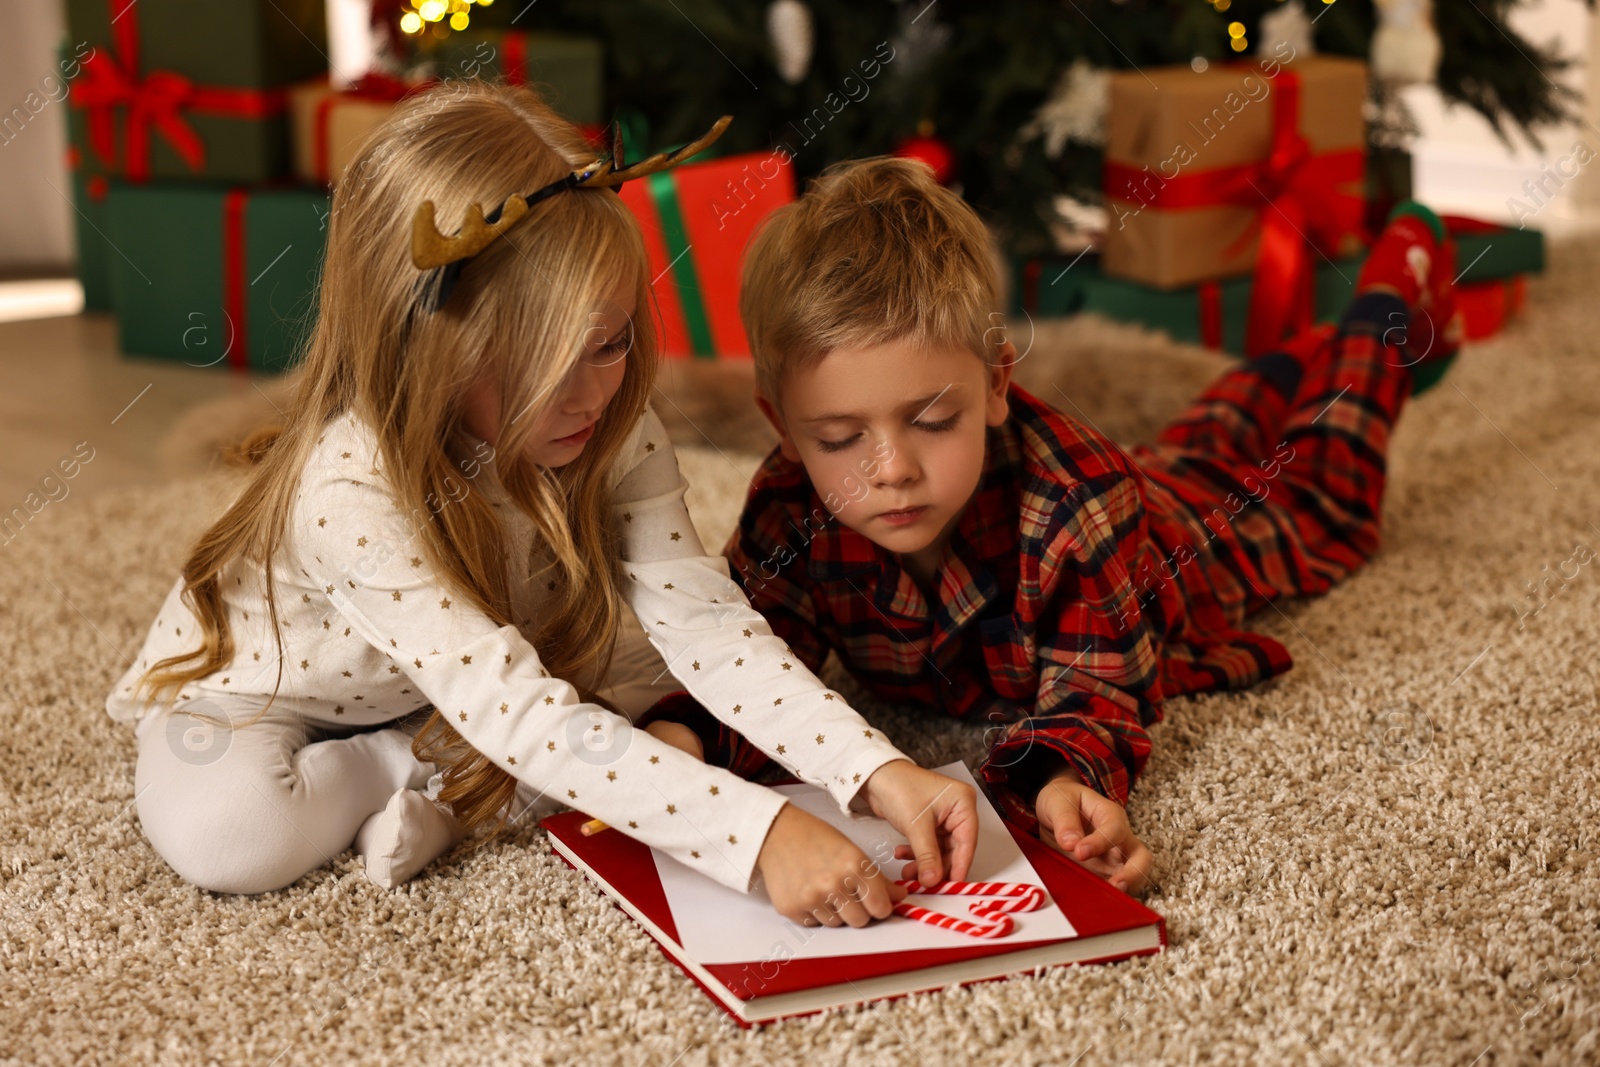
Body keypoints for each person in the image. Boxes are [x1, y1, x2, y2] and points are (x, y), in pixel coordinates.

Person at [104, 85, 978, 929]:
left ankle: (455, 769)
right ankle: (395, 767)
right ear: (430, 347)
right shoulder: (348, 485)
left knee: (661, 689)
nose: (591, 393)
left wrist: (876, 769)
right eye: (539, 361)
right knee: (232, 836)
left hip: (492, 659)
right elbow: (518, 707)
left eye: (611, 343)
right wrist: (759, 833)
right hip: (281, 692)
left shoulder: (611, 422)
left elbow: (706, 625)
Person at [634, 155, 1461, 895]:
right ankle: (1281, 365)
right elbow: (752, 664)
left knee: (1322, 494)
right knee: (1197, 442)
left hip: (1180, 542)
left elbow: (1097, 688)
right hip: (1148, 472)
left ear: (996, 383)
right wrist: (685, 735)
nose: (890, 469)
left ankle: (1374, 321)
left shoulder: (1080, 500)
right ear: (782, 426)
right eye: (841, 438)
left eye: (930, 420)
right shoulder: (789, 505)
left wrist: (1061, 781)